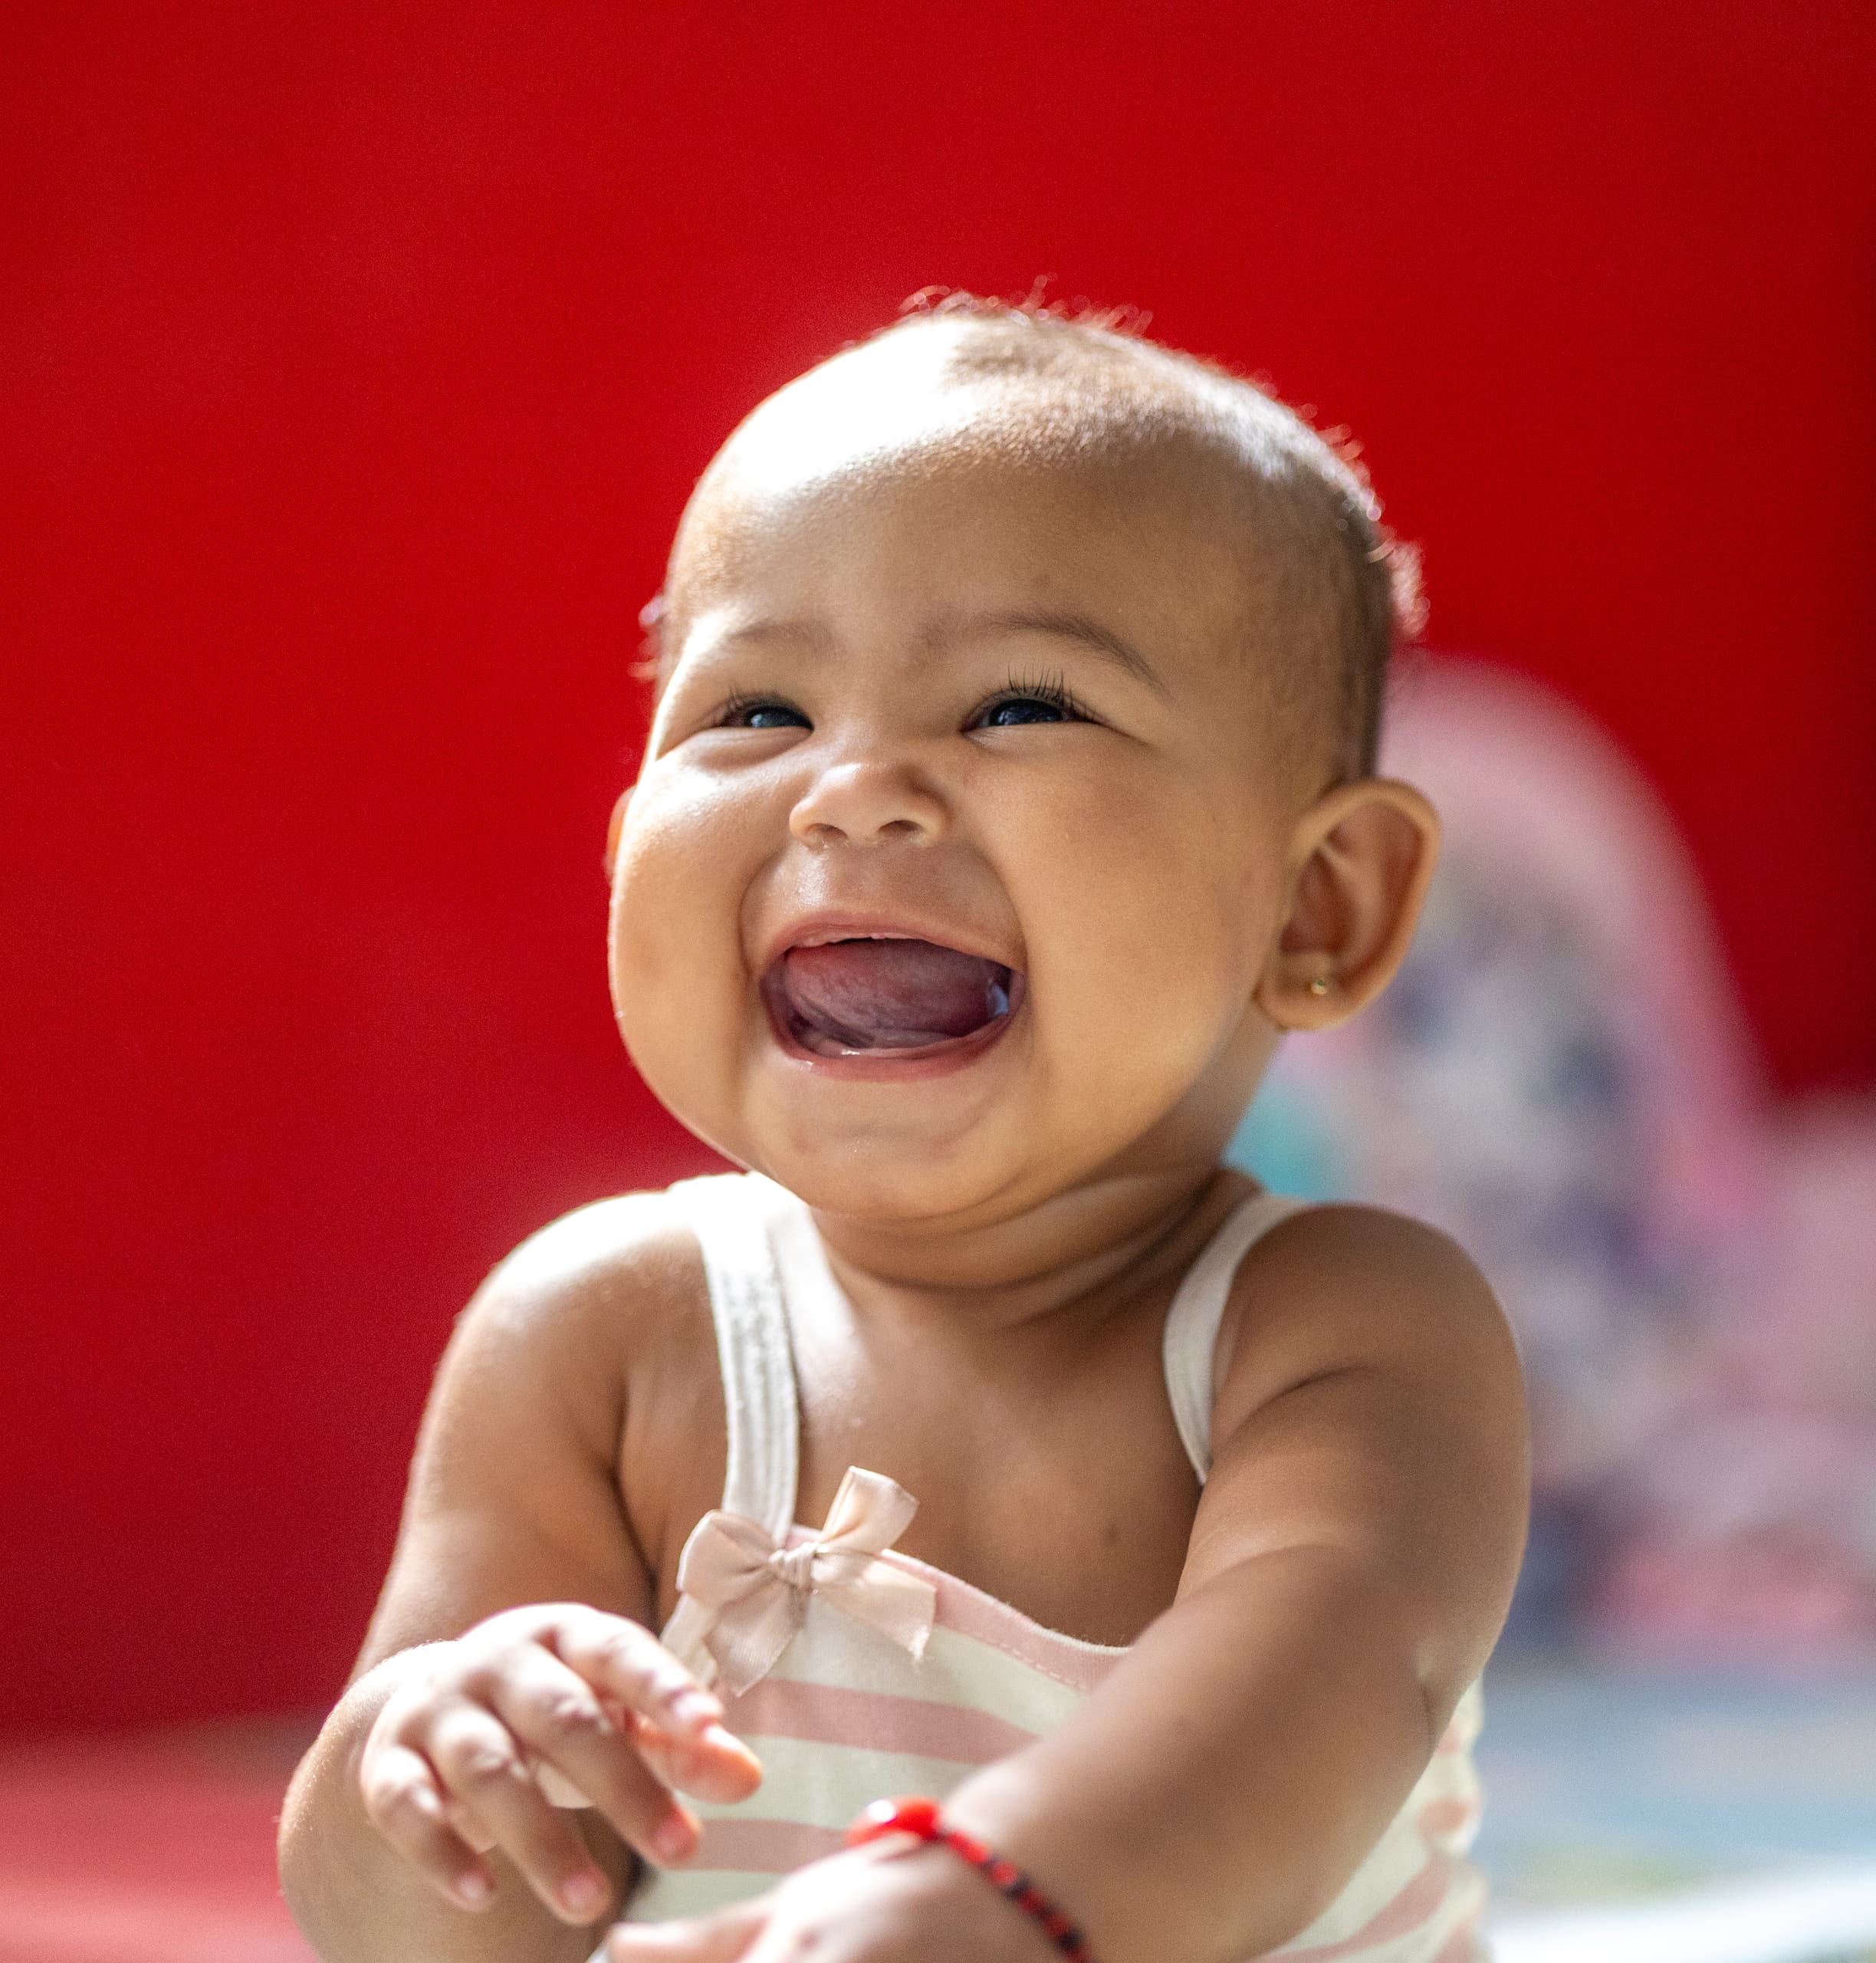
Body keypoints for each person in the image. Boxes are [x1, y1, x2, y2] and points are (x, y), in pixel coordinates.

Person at [276, 295, 1529, 1963]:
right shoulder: (602, 1339)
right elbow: (432, 1933)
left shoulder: (1341, 1328)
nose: (850, 788)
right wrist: (436, 1758)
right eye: (757, 714)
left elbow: (1333, 1680)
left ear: (1316, 903)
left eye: (1019, 706)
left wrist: (1000, 1891)